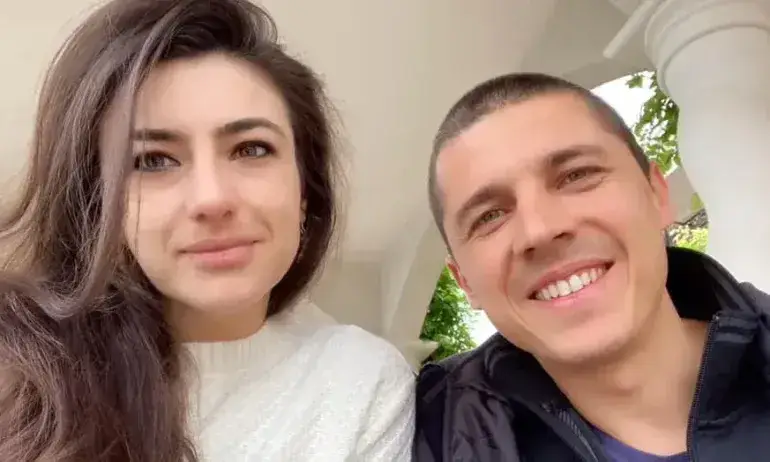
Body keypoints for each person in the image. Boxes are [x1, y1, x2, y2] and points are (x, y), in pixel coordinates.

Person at [0, 0, 414, 460]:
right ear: (100, 205)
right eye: (153, 160)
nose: (211, 199)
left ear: (305, 190)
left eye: (251, 149)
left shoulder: (359, 384)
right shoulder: (20, 377)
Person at [414, 72, 770, 461]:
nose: (541, 230)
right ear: (465, 281)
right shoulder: (433, 437)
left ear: (657, 194)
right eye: (490, 216)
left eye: (576, 175)